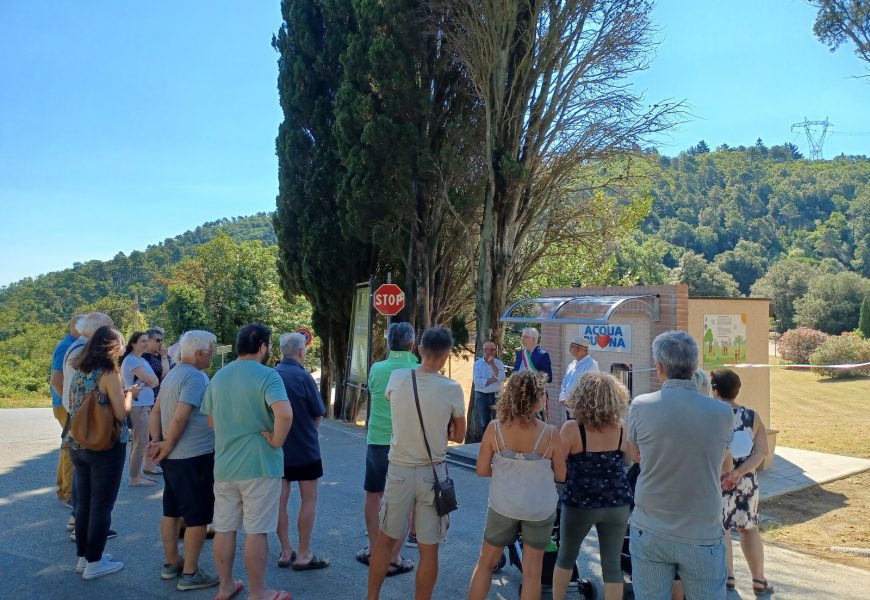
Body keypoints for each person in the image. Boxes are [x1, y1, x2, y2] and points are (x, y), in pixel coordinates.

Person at [627, 331, 733, 599]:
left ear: (660, 367)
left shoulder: (640, 406)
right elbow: (723, 461)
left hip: (651, 525)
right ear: (695, 366)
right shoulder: (722, 413)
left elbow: (635, 455)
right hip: (702, 529)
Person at [366, 326, 467, 600]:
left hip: (398, 469)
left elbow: (391, 401)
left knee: (385, 541)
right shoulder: (452, 388)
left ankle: (372, 597)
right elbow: (459, 434)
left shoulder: (398, 378)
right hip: (433, 473)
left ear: (420, 349)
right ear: (446, 356)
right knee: (428, 548)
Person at [203, 323, 294, 600]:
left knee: (225, 527)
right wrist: (276, 441)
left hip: (225, 465)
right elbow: (285, 414)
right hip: (260, 465)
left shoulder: (219, 376)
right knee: (257, 531)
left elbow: (210, 421)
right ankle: (258, 592)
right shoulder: (268, 376)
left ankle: (225, 586)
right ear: (264, 346)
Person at [467, 371, 566, 600]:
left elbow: (482, 470)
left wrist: (506, 470)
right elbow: (561, 476)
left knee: (485, 563)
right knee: (532, 573)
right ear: (538, 398)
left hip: (503, 505)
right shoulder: (551, 434)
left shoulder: (494, 428)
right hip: (539, 509)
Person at [147, 330, 220, 591]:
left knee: (171, 510)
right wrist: (165, 443)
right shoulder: (195, 378)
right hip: (193, 457)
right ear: (200, 353)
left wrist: (157, 441)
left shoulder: (172, 375)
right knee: (198, 517)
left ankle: (172, 563)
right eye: (211, 351)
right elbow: (181, 416)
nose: (211, 356)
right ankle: (191, 573)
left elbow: (156, 411)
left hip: (173, 458)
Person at [553, 373, 631, 600]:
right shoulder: (622, 428)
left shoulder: (571, 429)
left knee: (566, 556)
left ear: (580, 397)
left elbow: (559, 467)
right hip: (617, 503)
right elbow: (626, 462)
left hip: (580, 502)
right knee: (612, 566)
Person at [65, 326, 132, 579]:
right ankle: (95, 561)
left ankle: (84, 557)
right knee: (102, 505)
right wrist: (129, 396)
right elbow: (120, 413)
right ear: (113, 347)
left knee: (84, 503)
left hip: (78, 443)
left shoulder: (81, 371)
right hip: (106, 445)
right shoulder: (109, 373)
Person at [356, 321, 418, 575]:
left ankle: (374, 549)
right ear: (412, 343)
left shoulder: (377, 368)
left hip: (377, 439)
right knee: (403, 501)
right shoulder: (417, 370)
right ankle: (393, 556)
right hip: (406, 443)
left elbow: (374, 393)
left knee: (373, 494)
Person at [712, 370, 774, 597]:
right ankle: (759, 580)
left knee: (723, 529)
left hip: (718, 479)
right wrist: (739, 473)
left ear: (715, 390)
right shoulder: (753, 416)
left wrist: (728, 473)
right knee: (749, 529)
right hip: (746, 482)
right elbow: (761, 453)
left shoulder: (712, 415)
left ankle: (728, 577)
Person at [274, 332, 329, 571]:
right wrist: (308, 430)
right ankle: (304, 553)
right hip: (305, 449)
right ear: (300, 352)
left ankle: (286, 550)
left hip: (277, 448)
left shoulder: (271, 375)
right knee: (309, 500)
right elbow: (318, 412)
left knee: (279, 501)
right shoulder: (304, 377)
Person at [50, 314, 84, 504]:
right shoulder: (67, 346)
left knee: (67, 446)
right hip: (66, 405)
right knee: (72, 448)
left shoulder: (71, 344)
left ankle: (64, 488)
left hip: (65, 404)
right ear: (79, 327)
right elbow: (56, 380)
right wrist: (71, 403)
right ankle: (69, 493)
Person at [121, 332, 161, 486]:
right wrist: (151, 381)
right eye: (143, 341)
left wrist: (152, 381)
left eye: (147, 341)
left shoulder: (140, 360)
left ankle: (137, 474)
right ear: (133, 343)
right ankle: (134, 477)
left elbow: (155, 381)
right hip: (138, 405)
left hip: (143, 404)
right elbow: (153, 380)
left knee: (139, 442)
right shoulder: (132, 360)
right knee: (141, 442)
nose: (146, 343)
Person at [472, 341, 506, 432]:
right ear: (484, 350)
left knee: (498, 422)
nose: (492, 352)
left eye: (494, 350)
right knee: (484, 423)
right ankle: (486, 444)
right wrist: (495, 378)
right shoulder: (477, 364)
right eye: (490, 349)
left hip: (496, 395)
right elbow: (478, 382)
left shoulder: (498, 363)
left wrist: (492, 364)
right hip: (481, 396)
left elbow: (502, 378)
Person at [558, 337, 599, 405]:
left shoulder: (591, 365)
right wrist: (563, 397)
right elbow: (564, 383)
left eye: (571, 347)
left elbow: (591, 389)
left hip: (581, 409)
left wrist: (575, 403)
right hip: (568, 406)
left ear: (579, 349)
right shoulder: (572, 364)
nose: (569, 349)